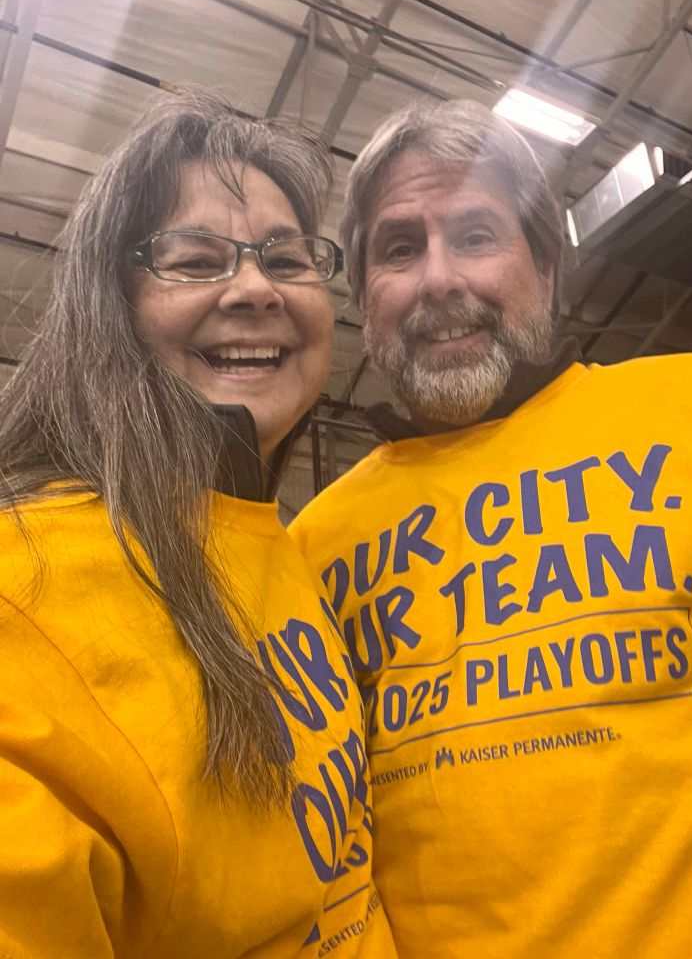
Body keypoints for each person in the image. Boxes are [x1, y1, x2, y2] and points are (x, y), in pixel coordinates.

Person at [290, 98, 692, 958]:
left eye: (475, 236)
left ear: (545, 265)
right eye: (399, 247)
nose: (438, 280)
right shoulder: (310, 546)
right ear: (362, 296)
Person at [0, 90, 396, 958]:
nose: (255, 287)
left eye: (286, 260)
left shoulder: (274, 541)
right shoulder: (29, 590)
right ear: (111, 306)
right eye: (194, 259)